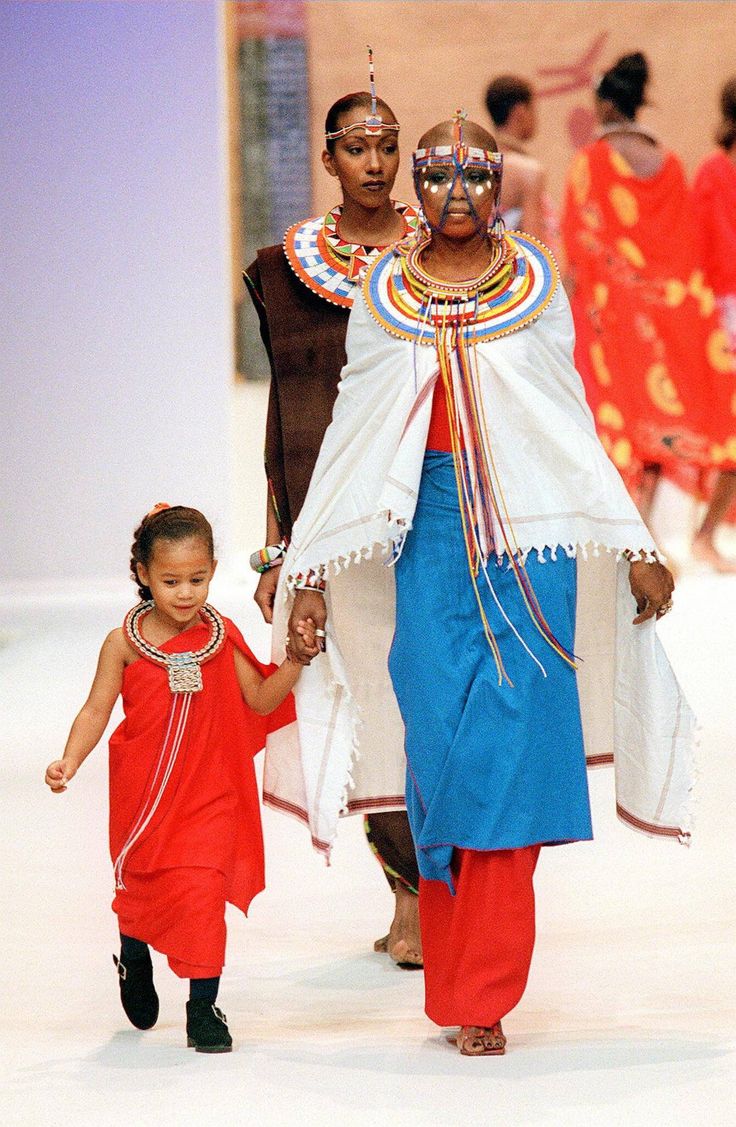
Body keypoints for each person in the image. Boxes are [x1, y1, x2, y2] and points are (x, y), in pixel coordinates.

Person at [281, 112, 695, 1056]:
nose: (456, 193)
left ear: (498, 185)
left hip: (532, 538)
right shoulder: (388, 287)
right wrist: (306, 570)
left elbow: (566, 418)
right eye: (438, 177)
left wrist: (633, 541)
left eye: (475, 175)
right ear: (417, 189)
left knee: (508, 750)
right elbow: (355, 424)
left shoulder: (536, 280)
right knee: (438, 742)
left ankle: (484, 992)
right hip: (425, 532)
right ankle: (454, 952)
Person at [243, 55, 423, 967]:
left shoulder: (445, 257)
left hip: (431, 513)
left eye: (389, 146)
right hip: (329, 524)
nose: (377, 162)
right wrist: (279, 541)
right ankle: (406, 887)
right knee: (361, 702)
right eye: (359, 146)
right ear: (328, 158)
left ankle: (440, 885)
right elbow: (286, 410)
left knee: (429, 698)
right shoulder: (284, 271)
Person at [44, 504, 318, 1053]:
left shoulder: (221, 635)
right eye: (171, 581)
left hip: (211, 793)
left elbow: (261, 698)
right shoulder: (123, 642)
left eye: (198, 579)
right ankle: (135, 952)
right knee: (144, 884)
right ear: (143, 575)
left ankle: (202, 1006)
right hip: (144, 794)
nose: (186, 593)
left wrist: (295, 660)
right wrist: (70, 759)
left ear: (214, 570)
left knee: (202, 890)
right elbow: (96, 709)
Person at [561, 52, 736, 566]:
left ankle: (642, 542)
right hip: (670, 316)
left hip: (611, 320)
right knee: (666, 421)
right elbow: (688, 251)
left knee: (623, 423)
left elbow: (580, 243)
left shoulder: (590, 161)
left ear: (608, 103)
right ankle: (652, 542)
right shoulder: (673, 163)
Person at [691, 77, 736, 564]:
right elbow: (710, 251)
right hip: (724, 310)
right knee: (727, 428)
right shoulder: (714, 171)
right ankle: (703, 535)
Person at [484, 73, 559, 251]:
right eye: (534, 110)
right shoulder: (528, 172)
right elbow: (535, 248)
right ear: (520, 112)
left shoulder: (477, 167)